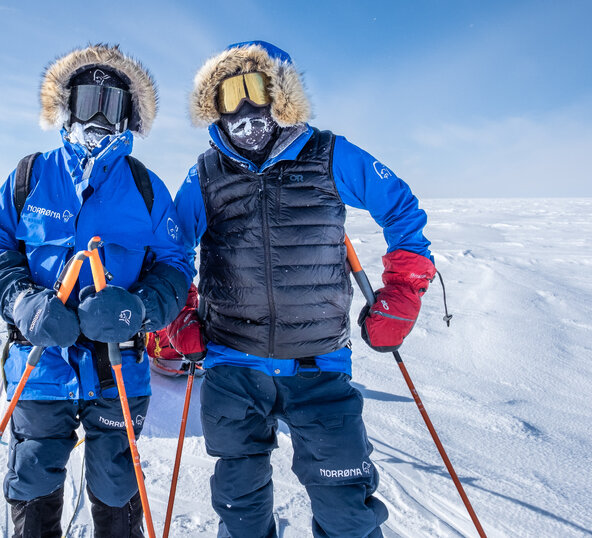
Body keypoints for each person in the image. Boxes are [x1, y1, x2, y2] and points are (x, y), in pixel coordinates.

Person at [173, 40, 437, 538]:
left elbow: (401, 208)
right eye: (229, 95)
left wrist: (403, 290)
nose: (244, 106)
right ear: (214, 104)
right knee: (240, 507)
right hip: (232, 362)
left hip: (319, 364)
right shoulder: (206, 173)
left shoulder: (327, 153)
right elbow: (170, 248)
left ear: (282, 93)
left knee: (347, 511)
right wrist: (179, 313)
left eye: (256, 88)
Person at [0, 44, 191, 538]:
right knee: (32, 479)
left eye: (111, 103)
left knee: (117, 485)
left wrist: (138, 308)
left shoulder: (147, 187)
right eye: (86, 98)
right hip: (40, 360)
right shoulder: (30, 176)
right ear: (66, 105)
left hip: (118, 366)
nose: (97, 114)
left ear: (128, 116)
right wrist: (23, 302)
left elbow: (177, 266)